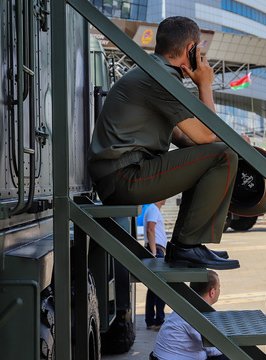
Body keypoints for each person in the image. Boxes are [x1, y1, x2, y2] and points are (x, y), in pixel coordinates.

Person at [86, 16, 239, 270]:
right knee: (223, 156)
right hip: (124, 176)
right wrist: (205, 85)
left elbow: (188, 138)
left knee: (213, 155)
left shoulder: (154, 72)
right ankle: (186, 246)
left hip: (121, 174)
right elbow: (207, 136)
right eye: (198, 49)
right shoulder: (160, 78)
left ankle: (189, 245)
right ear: (191, 49)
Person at [151, 270, 227, 360]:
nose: (219, 290)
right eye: (219, 287)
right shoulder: (195, 314)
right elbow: (216, 349)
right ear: (212, 292)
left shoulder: (188, 307)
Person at [144, 199, 168, 330]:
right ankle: (159, 320)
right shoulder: (153, 209)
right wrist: (154, 253)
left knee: (153, 289)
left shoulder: (152, 209)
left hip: (156, 250)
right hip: (156, 250)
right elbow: (150, 229)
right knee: (161, 288)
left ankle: (150, 321)